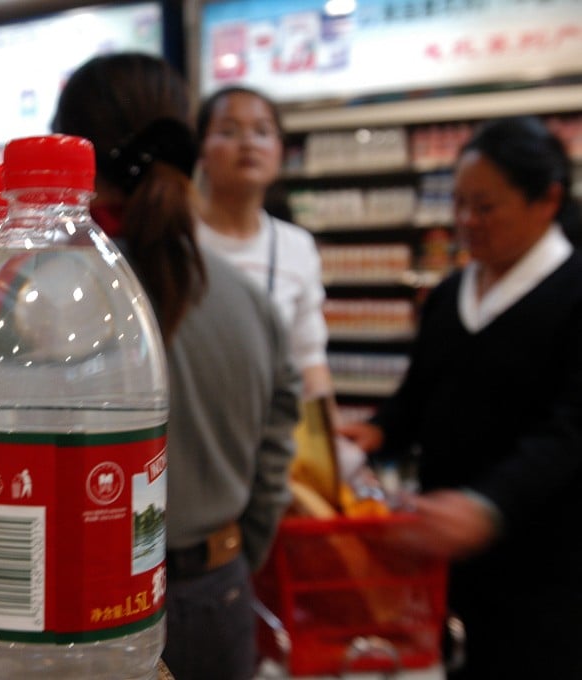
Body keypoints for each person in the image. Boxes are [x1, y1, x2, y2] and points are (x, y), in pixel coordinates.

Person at [53, 52, 300, 680]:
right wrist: (228, 557)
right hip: (216, 593)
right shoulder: (253, 305)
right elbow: (275, 462)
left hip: (76, 598)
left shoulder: (37, 299)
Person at [338, 115, 582, 679]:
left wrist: (488, 505)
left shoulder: (573, 292)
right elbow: (420, 397)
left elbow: (571, 430)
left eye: (486, 206)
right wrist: (378, 431)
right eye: (461, 204)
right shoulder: (450, 295)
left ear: (547, 199)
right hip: (445, 553)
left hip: (546, 557)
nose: (467, 222)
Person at [193, 86, 332, 401]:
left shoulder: (297, 247)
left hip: (271, 433)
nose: (248, 142)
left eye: (262, 131)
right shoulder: (177, 239)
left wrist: (326, 443)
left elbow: (310, 358)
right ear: (201, 150)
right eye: (228, 131)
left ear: (280, 150)